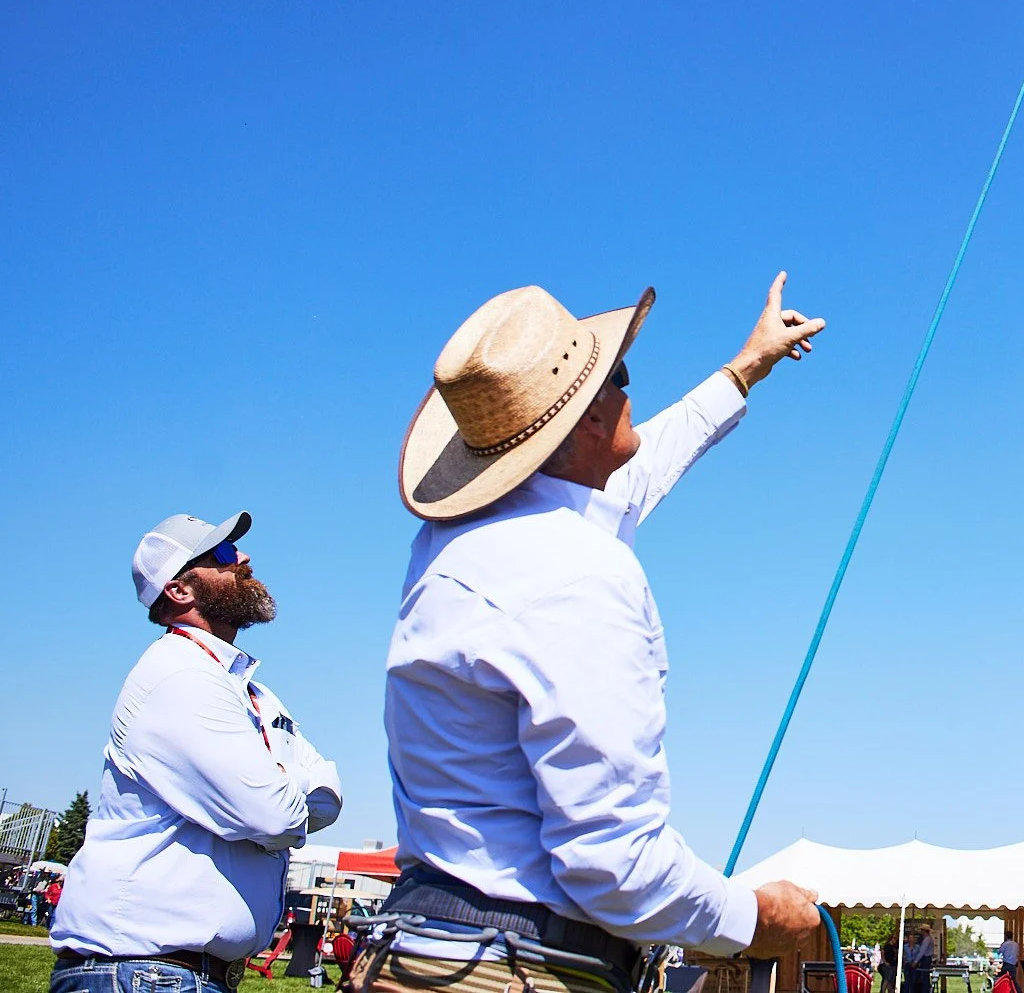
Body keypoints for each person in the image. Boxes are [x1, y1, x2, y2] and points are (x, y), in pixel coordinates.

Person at [372, 278, 827, 993]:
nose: (630, 392)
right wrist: (757, 918)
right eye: (619, 377)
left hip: (428, 947)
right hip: (512, 969)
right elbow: (613, 863)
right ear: (583, 421)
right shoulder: (575, 573)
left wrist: (746, 367)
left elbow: (628, 476)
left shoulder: (456, 545)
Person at [51, 512, 343, 993]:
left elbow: (328, 793)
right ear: (179, 590)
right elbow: (274, 815)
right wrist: (289, 792)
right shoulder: (179, 674)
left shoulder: (252, 692)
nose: (243, 558)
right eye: (224, 554)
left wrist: (278, 791)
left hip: (177, 974)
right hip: (142, 971)